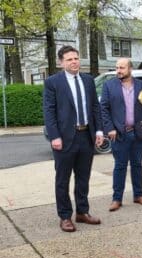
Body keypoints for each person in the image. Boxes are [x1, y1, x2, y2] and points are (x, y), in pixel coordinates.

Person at [43, 45, 104, 232]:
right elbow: (49, 111)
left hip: (86, 136)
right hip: (64, 138)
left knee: (83, 178)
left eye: (76, 58)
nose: (74, 62)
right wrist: (54, 136)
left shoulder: (87, 80)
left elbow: (95, 107)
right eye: (69, 59)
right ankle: (65, 216)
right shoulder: (53, 82)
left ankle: (82, 212)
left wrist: (99, 131)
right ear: (61, 62)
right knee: (63, 179)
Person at [100, 58, 142, 212]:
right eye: (117, 67)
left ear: (130, 68)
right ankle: (117, 198)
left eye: (122, 67)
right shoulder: (109, 86)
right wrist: (109, 128)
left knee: (137, 165)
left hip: (138, 134)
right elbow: (104, 108)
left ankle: (138, 195)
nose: (119, 70)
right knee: (120, 166)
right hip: (119, 134)